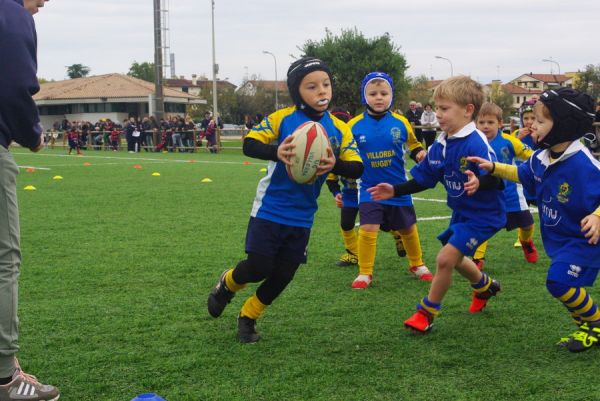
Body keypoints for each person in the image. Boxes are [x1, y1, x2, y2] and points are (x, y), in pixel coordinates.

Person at [206, 57, 363, 343]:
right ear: (296, 91)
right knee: (259, 267)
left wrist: (334, 165)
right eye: (312, 86)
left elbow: (357, 167)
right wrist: (276, 151)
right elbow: (250, 144)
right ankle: (227, 284)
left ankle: (249, 315)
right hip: (270, 208)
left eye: (326, 84)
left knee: (284, 273)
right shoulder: (282, 118)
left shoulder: (340, 128)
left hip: (303, 215)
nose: (322, 91)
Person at [466, 88, 600, 353]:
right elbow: (522, 174)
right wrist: (493, 167)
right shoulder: (541, 157)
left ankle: (595, 324)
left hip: (585, 240)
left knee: (558, 282)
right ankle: (585, 327)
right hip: (561, 238)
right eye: (532, 120)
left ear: (562, 126)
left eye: (539, 121)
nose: (531, 126)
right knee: (564, 284)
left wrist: (597, 216)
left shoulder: (584, 164)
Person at [368, 76, 506, 333]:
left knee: (445, 259)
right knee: (452, 254)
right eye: (437, 108)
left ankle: (426, 313)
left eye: (444, 109)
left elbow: (497, 179)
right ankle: (485, 286)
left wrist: (480, 181)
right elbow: (426, 178)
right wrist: (395, 190)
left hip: (485, 215)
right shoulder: (441, 143)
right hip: (462, 212)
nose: (438, 115)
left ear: (468, 111)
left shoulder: (476, 141)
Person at [0, 0, 60, 399]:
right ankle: (5, 375)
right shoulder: (11, 12)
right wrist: (32, 133)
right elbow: (15, 83)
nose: (45, 2)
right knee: (4, 260)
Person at [348, 72, 432, 288]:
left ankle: (417, 264)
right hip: (369, 188)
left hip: (398, 189)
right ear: (364, 96)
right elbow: (346, 153)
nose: (379, 97)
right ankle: (365, 273)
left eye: (384, 93)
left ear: (391, 96)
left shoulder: (401, 122)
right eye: (373, 93)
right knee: (368, 227)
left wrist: (420, 154)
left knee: (407, 229)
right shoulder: (353, 126)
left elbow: (413, 146)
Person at [471, 102, 537, 270]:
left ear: (500, 123)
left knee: (527, 224)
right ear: (476, 123)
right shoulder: (472, 143)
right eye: (481, 122)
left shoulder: (510, 141)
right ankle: (477, 258)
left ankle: (526, 242)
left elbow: (529, 154)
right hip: (487, 194)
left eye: (490, 122)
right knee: (485, 226)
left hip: (512, 193)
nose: (485, 126)